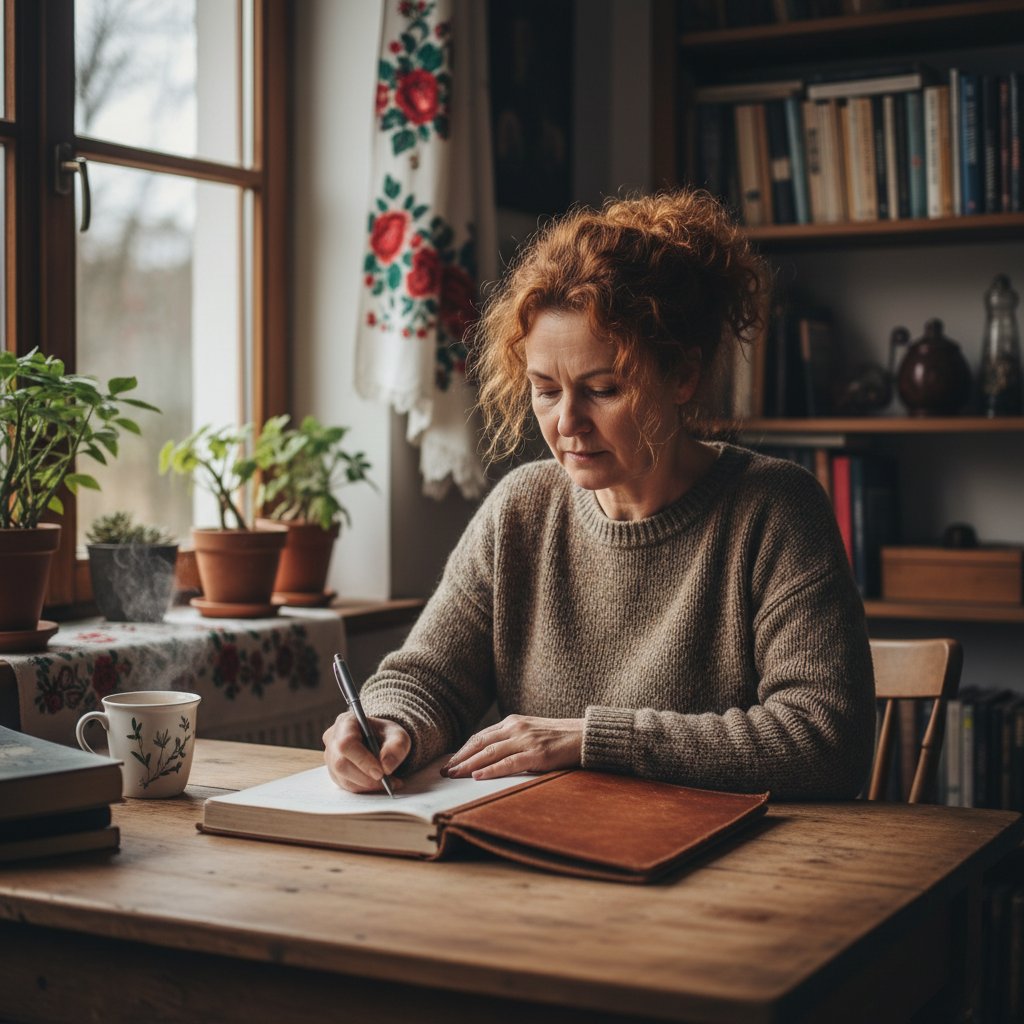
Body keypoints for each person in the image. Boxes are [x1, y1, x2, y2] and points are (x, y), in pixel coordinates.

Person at [324, 188, 876, 800]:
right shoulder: (521, 510)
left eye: (603, 389)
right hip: (547, 853)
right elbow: (430, 677)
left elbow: (826, 742)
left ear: (683, 376)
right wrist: (387, 723)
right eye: (545, 389)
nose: (567, 423)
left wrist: (591, 738)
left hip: (722, 870)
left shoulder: (774, 510)